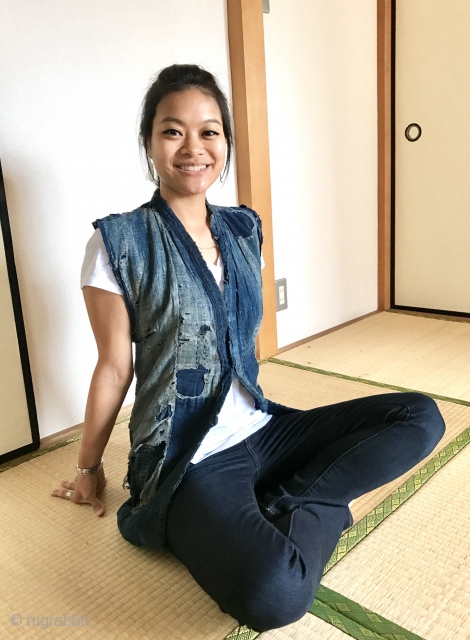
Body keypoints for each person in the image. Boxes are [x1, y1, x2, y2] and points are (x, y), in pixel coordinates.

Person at [51, 64, 446, 633]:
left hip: (262, 428)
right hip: (190, 454)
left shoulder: (242, 229)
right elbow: (114, 368)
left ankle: (282, 500)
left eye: (210, 131)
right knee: (276, 595)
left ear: (226, 143)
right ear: (149, 143)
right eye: (172, 131)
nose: (193, 148)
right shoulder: (118, 242)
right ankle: (313, 502)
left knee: (420, 417)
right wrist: (88, 467)